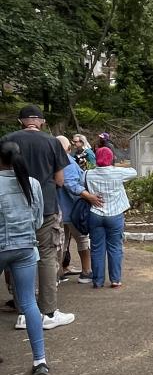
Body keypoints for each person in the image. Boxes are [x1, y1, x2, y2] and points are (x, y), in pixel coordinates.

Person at [3, 105, 73, 330]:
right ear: (41, 121)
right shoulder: (52, 142)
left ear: (20, 121)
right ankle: (49, 312)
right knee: (46, 257)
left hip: (13, 209)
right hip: (46, 207)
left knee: (17, 258)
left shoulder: (7, 139)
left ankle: (23, 312)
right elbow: (60, 180)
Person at [0, 141, 49, 375]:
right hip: (25, 247)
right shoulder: (33, 184)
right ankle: (40, 361)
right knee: (29, 303)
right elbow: (38, 220)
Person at [85, 146, 137, 288]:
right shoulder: (118, 173)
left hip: (95, 214)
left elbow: (78, 184)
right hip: (115, 214)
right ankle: (115, 279)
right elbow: (134, 172)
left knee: (96, 248)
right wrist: (117, 165)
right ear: (111, 158)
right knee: (115, 247)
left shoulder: (88, 174)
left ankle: (98, 281)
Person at [56, 134, 98, 283]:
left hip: (57, 209)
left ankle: (58, 272)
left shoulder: (51, 160)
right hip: (71, 208)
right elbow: (71, 184)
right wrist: (89, 196)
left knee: (61, 242)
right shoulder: (66, 161)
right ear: (67, 148)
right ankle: (86, 272)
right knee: (82, 239)